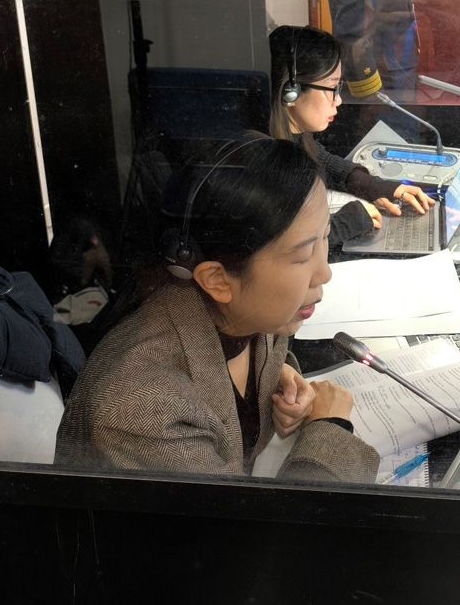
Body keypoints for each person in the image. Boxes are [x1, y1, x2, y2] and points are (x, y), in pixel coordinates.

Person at [55, 133, 379, 483]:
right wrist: (331, 428)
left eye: (324, 237)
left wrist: (280, 376)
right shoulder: (140, 411)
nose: (324, 272)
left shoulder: (249, 314)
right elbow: (257, 520)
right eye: (302, 255)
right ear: (217, 281)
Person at [269, 25, 435, 248]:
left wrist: (371, 185)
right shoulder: (264, 161)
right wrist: (347, 221)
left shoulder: (292, 136)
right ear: (292, 91)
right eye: (331, 88)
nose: (338, 100)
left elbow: (322, 160)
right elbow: (288, 248)